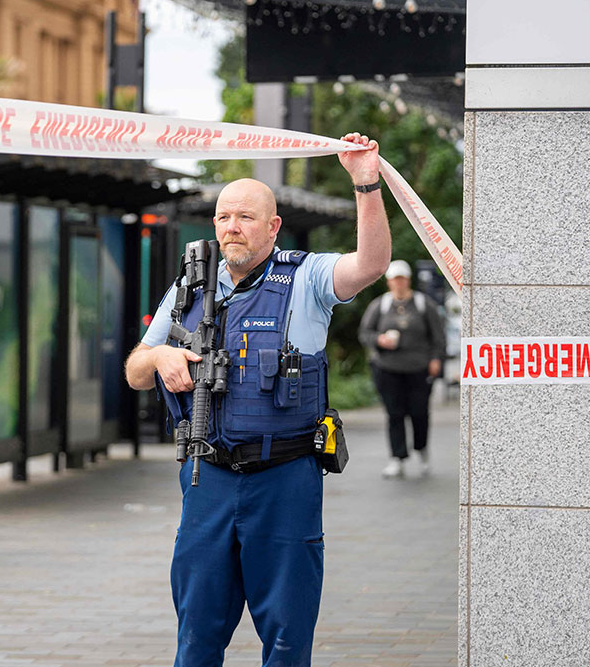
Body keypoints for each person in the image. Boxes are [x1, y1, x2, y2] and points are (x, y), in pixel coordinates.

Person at [124, 133, 390, 666]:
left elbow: (371, 264)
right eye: (224, 217)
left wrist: (365, 183)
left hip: (283, 479)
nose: (232, 227)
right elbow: (135, 370)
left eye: (245, 217)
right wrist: (161, 358)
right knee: (196, 635)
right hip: (207, 480)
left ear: (272, 226)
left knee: (287, 637)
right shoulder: (189, 288)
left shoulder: (305, 278)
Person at [358, 260, 446, 479]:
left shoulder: (423, 304)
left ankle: (422, 450)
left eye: (402, 279)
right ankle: (397, 458)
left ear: (408, 280)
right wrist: (379, 340)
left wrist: (436, 359)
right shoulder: (380, 305)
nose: (399, 283)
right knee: (394, 414)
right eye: (395, 279)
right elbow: (365, 333)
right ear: (389, 282)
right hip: (387, 368)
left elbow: (438, 336)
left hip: (418, 368)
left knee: (419, 412)